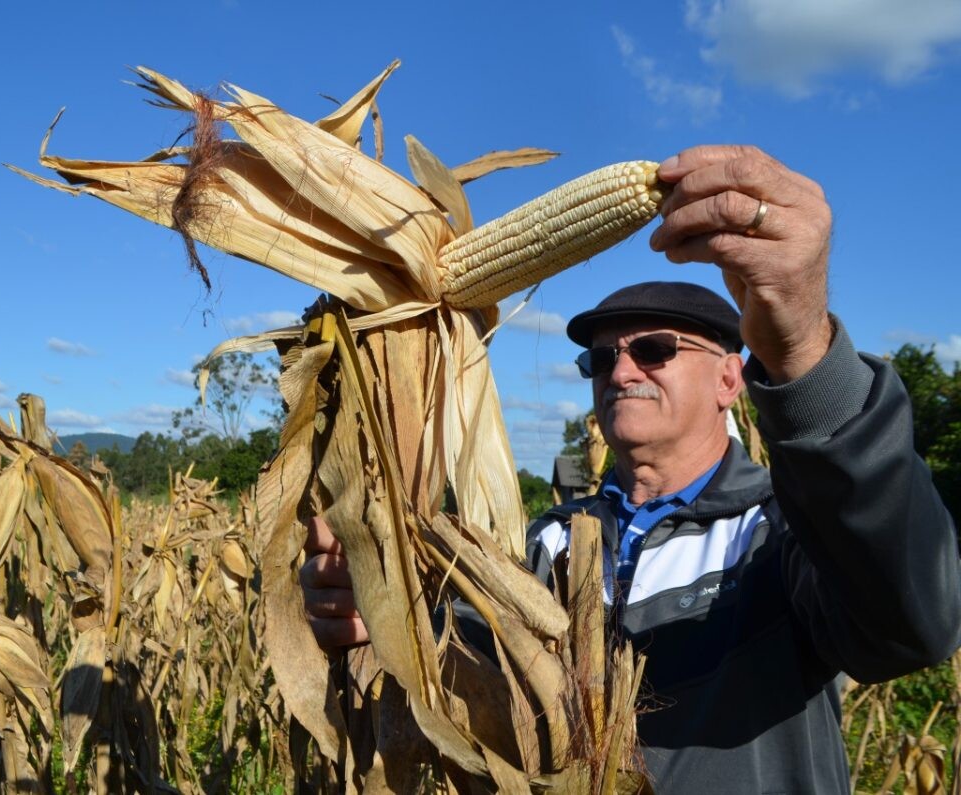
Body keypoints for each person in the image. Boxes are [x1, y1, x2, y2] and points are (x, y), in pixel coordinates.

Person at [299, 144, 961, 793]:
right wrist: (385, 621)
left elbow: (908, 625)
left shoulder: (780, 528)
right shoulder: (545, 541)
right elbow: (472, 685)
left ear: (731, 376)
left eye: (653, 349)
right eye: (601, 358)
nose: (620, 370)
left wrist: (807, 354)